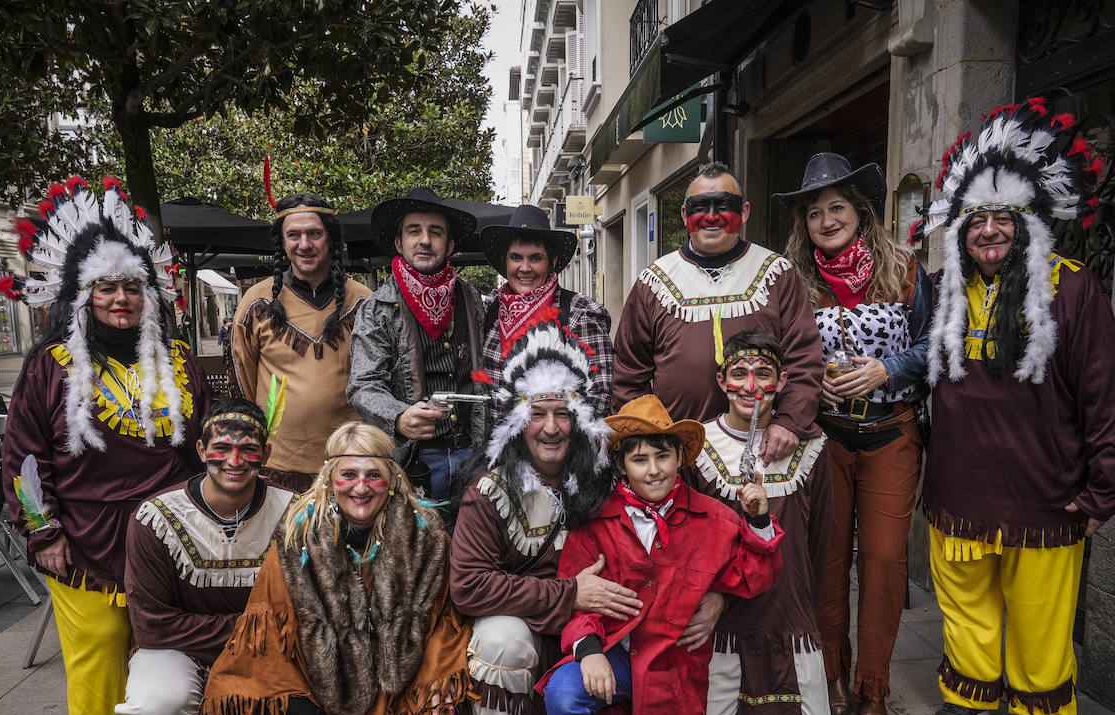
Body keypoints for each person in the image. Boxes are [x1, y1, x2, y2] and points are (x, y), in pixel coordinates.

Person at [909, 98, 1115, 715]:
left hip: (1045, 490)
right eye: (976, 219)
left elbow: (1107, 396)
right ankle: (973, 688)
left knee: (1040, 610)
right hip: (959, 486)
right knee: (965, 599)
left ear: (1028, 222)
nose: (989, 231)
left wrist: (1103, 490)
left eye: (1002, 218)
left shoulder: (1073, 291)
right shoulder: (944, 288)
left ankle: (1043, 707)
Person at [0, 176, 213, 715]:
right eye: (107, 288)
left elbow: (198, 450)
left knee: (158, 650)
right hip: (82, 543)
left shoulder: (178, 360)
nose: (121, 300)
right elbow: (23, 461)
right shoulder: (51, 365)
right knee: (95, 653)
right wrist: (43, 535)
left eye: (131, 288)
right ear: (83, 294)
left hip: (163, 541)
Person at [533, 394, 783, 715]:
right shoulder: (594, 520)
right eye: (639, 458)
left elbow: (754, 577)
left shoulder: (714, 518)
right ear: (622, 465)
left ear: (680, 458)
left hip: (672, 667)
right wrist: (588, 651)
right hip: (618, 658)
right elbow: (575, 595)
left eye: (662, 456)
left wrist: (756, 519)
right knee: (566, 692)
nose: (653, 470)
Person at [199, 421, 473, 715]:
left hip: (394, 684)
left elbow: (444, 623)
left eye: (372, 474)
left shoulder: (428, 538)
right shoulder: (296, 538)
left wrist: (435, 684)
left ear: (391, 479)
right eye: (348, 474)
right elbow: (265, 637)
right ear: (330, 478)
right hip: (314, 690)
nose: (360, 487)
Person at [450, 320, 632, 715]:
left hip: (586, 636)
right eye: (538, 414)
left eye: (562, 414)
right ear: (515, 423)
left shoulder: (602, 480)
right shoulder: (489, 490)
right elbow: (468, 586)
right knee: (500, 639)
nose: (551, 428)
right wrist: (569, 593)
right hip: (524, 631)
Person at [776, 153, 932, 715]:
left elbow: (935, 347)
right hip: (826, 438)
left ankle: (874, 686)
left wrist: (885, 369)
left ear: (859, 212)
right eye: (814, 212)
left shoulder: (906, 271)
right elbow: (782, 355)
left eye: (836, 207)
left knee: (886, 560)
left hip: (891, 431)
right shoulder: (794, 282)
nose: (826, 219)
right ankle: (832, 674)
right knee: (828, 561)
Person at [116, 399, 295, 715]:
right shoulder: (156, 517)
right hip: (181, 650)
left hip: (262, 659)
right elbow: (152, 623)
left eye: (248, 448)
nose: (235, 461)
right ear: (200, 449)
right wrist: (250, 630)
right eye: (222, 448)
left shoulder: (294, 511)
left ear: (265, 455)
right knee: (157, 705)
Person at [686, 330, 838, 715]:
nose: (751, 387)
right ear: (721, 380)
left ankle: (800, 710)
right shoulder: (698, 447)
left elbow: (821, 538)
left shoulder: (812, 448)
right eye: (739, 374)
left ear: (784, 380)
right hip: (723, 622)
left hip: (787, 620)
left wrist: (803, 607)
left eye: (763, 375)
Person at [612, 161, 824, 466]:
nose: (711, 216)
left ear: (745, 212)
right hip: (678, 459)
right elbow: (629, 374)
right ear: (685, 215)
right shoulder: (654, 281)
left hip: (763, 451)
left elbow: (804, 358)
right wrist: (650, 443)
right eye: (701, 206)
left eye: (724, 205)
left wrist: (790, 421)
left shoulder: (777, 274)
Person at [347, 187, 487, 510]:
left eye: (435, 232)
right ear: (400, 243)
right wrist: (398, 416)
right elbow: (361, 385)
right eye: (414, 231)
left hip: (473, 456)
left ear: (449, 244)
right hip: (414, 461)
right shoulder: (377, 307)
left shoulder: (472, 300)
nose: (425, 240)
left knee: (469, 553)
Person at [230, 192, 372, 491]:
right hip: (278, 465)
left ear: (331, 238)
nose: (304, 244)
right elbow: (243, 378)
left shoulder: (364, 302)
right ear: (282, 242)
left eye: (314, 234)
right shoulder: (256, 301)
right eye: (293, 235)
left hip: (351, 463)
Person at [477, 205, 613, 418]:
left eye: (535, 258)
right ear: (505, 262)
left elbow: (598, 398)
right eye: (516, 257)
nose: (524, 267)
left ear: (553, 262)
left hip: (553, 444)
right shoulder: (491, 309)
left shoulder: (580, 313)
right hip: (492, 447)